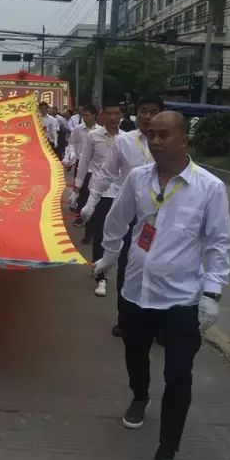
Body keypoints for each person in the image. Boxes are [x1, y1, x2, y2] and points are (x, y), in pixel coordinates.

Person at [94, 111, 230, 460]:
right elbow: (118, 220)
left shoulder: (210, 187)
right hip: (136, 290)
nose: (155, 141)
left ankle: (166, 453)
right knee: (135, 352)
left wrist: (212, 294)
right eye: (151, 134)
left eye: (164, 135)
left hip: (182, 298)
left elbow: (218, 244)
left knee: (179, 374)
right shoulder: (138, 179)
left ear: (183, 139)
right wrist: (108, 256)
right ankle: (140, 395)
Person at [81, 94, 164, 335]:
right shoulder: (124, 142)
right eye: (144, 111)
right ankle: (126, 319)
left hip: (163, 218)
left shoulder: (168, 143)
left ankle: (158, 323)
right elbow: (106, 174)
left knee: (159, 269)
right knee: (128, 267)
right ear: (136, 114)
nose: (148, 116)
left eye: (153, 112)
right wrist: (91, 202)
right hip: (132, 216)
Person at [75, 103, 122, 296]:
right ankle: (100, 277)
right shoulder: (93, 136)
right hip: (98, 192)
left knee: (120, 236)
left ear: (121, 116)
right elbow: (85, 161)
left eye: (117, 114)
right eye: (109, 113)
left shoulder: (127, 139)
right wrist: (77, 188)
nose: (113, 117)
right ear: (102, 116)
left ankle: (118, 272)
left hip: (121, 193)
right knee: (99, 234)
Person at [68, 104, 99, 240]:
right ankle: (79, 217)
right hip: (81, 166)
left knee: (91, 197)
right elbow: (72, 143)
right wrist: (72, 156)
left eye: (87, 115)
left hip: (95, 170)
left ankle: (89, 230)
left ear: (94, 115)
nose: (84, 118)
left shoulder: (100, 131)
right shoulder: (78, 129)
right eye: (83, 115)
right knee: (80, 193)